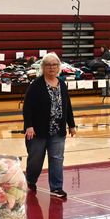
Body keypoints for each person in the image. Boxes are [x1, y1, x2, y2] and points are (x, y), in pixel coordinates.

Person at [22, 52, 76, 198]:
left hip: (58, 130)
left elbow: (67, 105)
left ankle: (56, 188)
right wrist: (29, 126)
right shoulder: (36, 85)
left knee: (57, 158)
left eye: (54, 65)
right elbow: (27, 107)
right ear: (43, 67)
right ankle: (31, 180)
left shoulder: (62, 84)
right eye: (48, 65)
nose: (52, 68)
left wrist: (71, 124)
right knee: (35, 160)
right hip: (38, 130)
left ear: (59, 67)